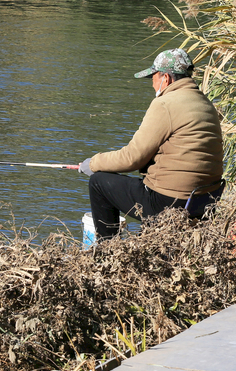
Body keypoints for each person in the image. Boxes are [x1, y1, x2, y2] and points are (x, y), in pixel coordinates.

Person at [78, 49, 224, 239]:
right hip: (204, 201)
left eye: (153, 77)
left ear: (166, 78)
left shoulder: (166, 103)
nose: (153, 84)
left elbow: (132, 158)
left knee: (99, 183)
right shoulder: (205, 103)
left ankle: (108, 253)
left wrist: (93, 164)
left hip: (169, 204)